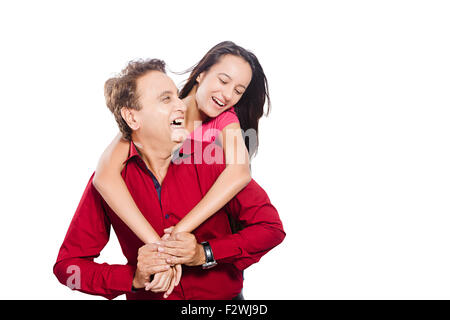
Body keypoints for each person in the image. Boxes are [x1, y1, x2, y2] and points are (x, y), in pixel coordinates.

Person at [53, 58, 285, 300]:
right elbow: (67, 269)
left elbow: (270, 229)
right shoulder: (110, 178)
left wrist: (203, 253)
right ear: (132, 118)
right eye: (166, 99)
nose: (182, 106)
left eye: (177, 96)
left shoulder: (214, 161)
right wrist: (133, 278)